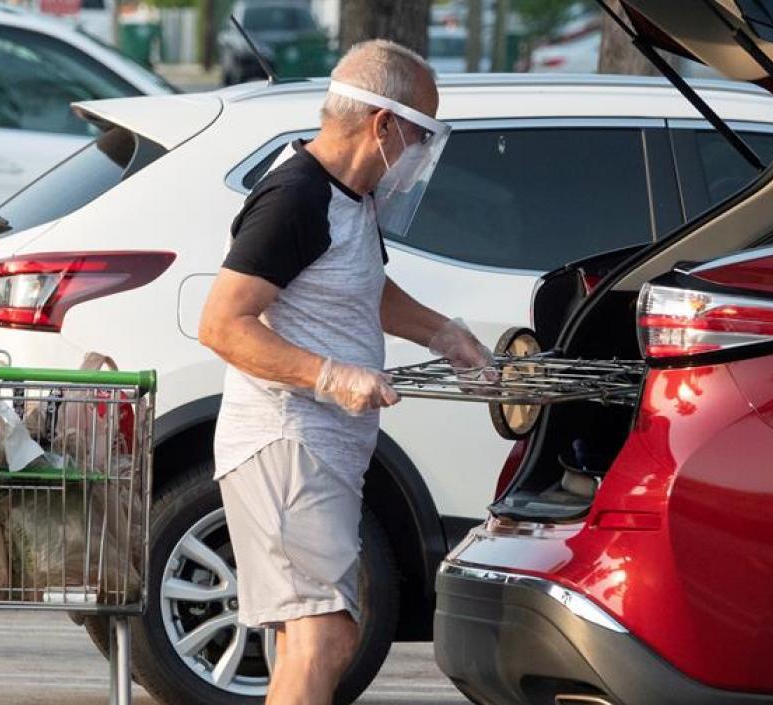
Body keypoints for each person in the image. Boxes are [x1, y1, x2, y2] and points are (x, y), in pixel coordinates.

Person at [198, 40, 493, 705]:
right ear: (383, 124)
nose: (421, 151)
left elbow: (364, 287)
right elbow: (222, 324)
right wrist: (332, 375)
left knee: (305, 636)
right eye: (421, 131)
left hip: (317, 449)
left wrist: (445, 334)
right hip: (286, 442)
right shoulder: (295, 196)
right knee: (327, 633)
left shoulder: (347, 197)